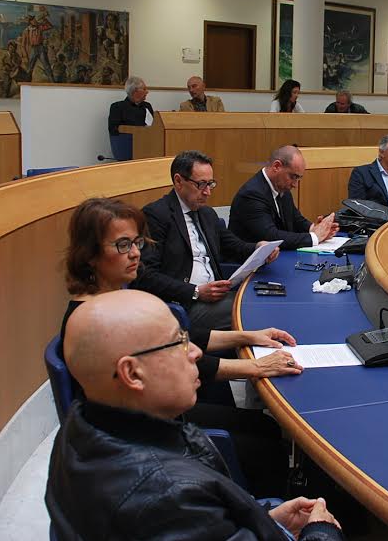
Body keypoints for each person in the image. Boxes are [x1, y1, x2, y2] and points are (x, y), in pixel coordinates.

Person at [45, 290, 345, 541]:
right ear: (132, 373)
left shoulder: (82, 426)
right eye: (178, 342)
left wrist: (264, 520)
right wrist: (321, 532)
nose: (196, 353)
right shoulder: (168, 496)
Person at [61, 198, 300, 497]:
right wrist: (255, 366)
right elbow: (179, 358)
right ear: (90, 254)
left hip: (152, 416)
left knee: (265, 426)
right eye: (123, 245)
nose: (135, 253)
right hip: (148, 434)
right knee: (266, 448)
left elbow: (186, 338)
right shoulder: (100, 319)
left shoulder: (113, 297)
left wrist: (246, 337)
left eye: (137, 242)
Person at [132, 150, 280, 331]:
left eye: (210, 184)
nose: (208, 192)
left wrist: (259, 248)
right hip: (183, 305)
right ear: (178, 181)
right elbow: (146, 276)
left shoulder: (206, 213)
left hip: (217, 296)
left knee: (270, 300)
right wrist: (195, 291)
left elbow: (233, 246)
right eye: (201, 184)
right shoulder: (156, 215)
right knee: (258, 310)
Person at [229, 145, 339, 251]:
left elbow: (296, 219)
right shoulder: (251, 194)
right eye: (293, 177)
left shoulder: (281, 187)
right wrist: (314, 237)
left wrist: (315, 228)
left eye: (298, 178)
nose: (295, 185)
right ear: (276, 166)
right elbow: (271, 236)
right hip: (247, 261)